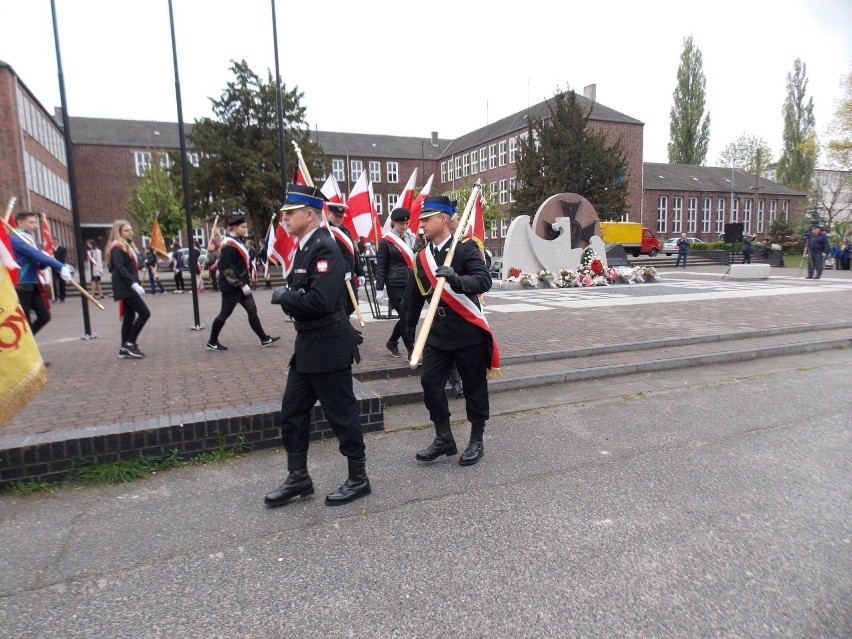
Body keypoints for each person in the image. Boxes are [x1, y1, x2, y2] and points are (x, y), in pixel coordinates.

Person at [264, 184, 370, 507]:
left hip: (329, 344)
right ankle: (299, 478)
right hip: (308, 345)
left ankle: (358, 478)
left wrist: (287, 297)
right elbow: (305, 298)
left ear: (309, 215)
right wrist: (293, 299)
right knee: (292, 412)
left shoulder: (324, 248)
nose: (284, 218)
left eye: (290, 212)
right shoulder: (304, 248)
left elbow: (320, 300)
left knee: (342, 414)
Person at [403, 196, 499, 467]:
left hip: (467, 330)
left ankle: (476, 439)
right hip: (437, 333)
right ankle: (443, 437)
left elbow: (483, 280)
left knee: (473, 387)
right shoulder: (421, 255)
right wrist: (408, 328)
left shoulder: (466, 248)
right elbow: (413, 294)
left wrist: (456, 279)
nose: (420, 223)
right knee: (430, 384)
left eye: (426, 219)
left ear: (443, 219)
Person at [205, 213, 280, 352]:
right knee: (224, 314)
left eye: (245, 226)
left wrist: (243, 284)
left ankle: (264, 338)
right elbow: (228, 269)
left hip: (240, 285)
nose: (245, 229)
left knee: (252, 310)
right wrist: (242, 284)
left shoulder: (237, 241)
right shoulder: (228, 245)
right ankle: (212, 341)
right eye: (243, 227)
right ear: (234, 227)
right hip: (231, 286)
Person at [10, 211, 72, 336]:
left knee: (44, 316)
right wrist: (60, 266)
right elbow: (34, 254)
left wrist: (47, 260)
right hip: (21, 282)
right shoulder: (15, 238)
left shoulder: (32, 240)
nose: (35, 225)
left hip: (33, 282)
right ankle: (25, 348)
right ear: (20, 223)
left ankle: (27, 342)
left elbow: (39, 261)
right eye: (31, 222)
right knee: (24, 319)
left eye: (35, 222)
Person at [375, 207, 417, 358]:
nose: (404, 227)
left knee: (409, 316)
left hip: (411, 283)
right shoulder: (386, 241)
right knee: (405, 317)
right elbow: (381, 266)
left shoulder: (411, 237)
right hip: (394, 284)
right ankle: (412, 351)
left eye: (406, 223)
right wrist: (379, 288)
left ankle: (392, 342)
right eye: (401, 224)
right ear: (393, 223)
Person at [105, 219, 150, 359]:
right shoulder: (117, 247)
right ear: (119, 232)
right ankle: (130, 343)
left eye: (131, 229)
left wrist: (144, 262)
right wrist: (133, 284)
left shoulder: (128, 245)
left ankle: (124, 347)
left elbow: (131, 264)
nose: (130, 232)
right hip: (125, 286)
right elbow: (120, 267)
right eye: (126, 230)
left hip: (127, 285)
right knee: (144, 313)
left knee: (129, 317)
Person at [326, 201, 364, 316]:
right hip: (336, 275)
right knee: (341, 305)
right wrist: (345, 267)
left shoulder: (345, 230)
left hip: (349, 275)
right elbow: (333, 254)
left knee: (353, 304)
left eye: (341, 216)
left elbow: (353, 253)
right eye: (336, 216)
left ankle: (345, 327)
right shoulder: (325, 231)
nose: (339, 219)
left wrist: (360, 272)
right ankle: (345, 329)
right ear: (328, 214)